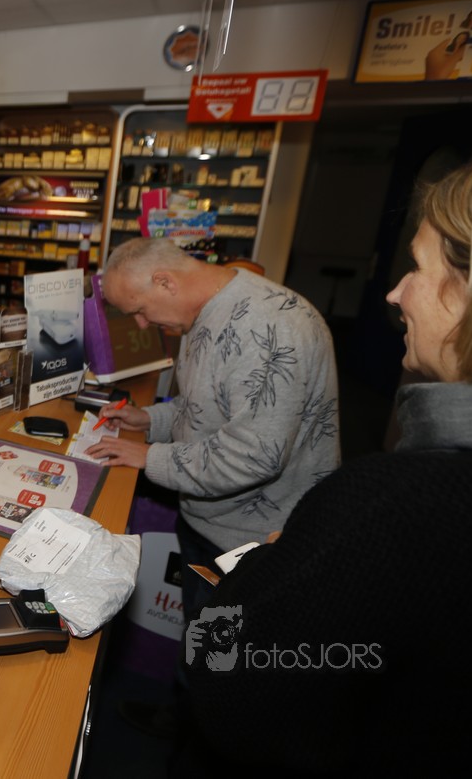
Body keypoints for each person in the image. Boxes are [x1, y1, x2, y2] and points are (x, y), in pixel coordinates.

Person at [183, 153, 472, 777]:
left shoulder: (389, 505)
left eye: (417, 267)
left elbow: (235, 695)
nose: (395, 293)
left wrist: (264, 566)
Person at [87, 237, 340, 622]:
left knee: (223, 653)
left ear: (165, 282)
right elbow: (204, 408)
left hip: (253, 546)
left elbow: (252, 457)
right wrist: (151, 421)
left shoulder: (270, 328)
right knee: (200, 641)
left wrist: (150, 456)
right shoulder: (203, 309)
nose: (142, 324)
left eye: (139, 310)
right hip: (208, 522)